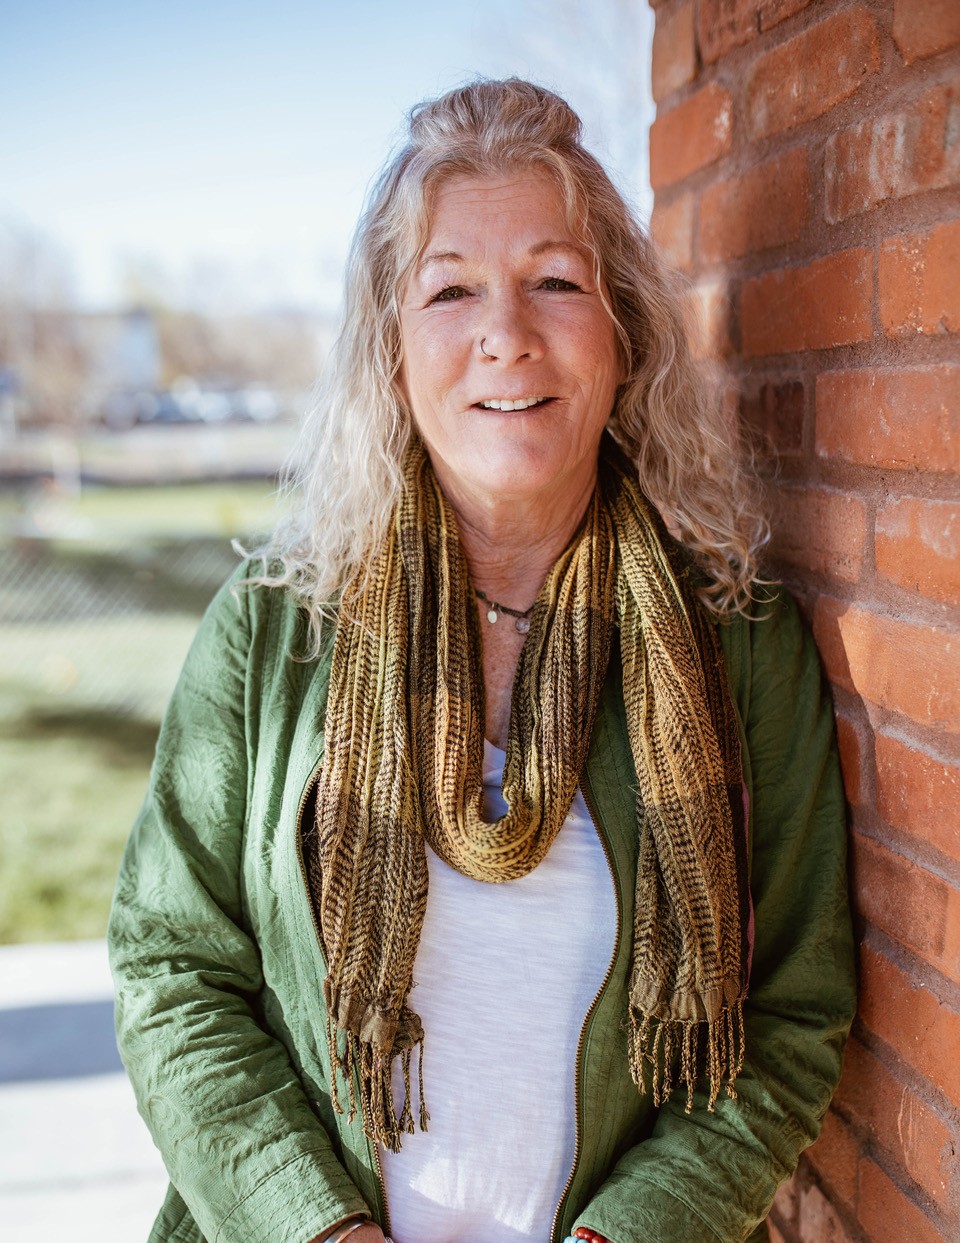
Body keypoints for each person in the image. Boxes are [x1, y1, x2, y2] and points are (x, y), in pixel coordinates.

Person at [109, 79, 855, 1243]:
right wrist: (313, 1228)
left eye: (555, 281)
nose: (506, 333)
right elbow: (172, 967)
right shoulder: (272, 634)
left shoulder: (738, 641)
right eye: (451, 289)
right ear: (392, 351)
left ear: (625, 334)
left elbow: (794, 1016)